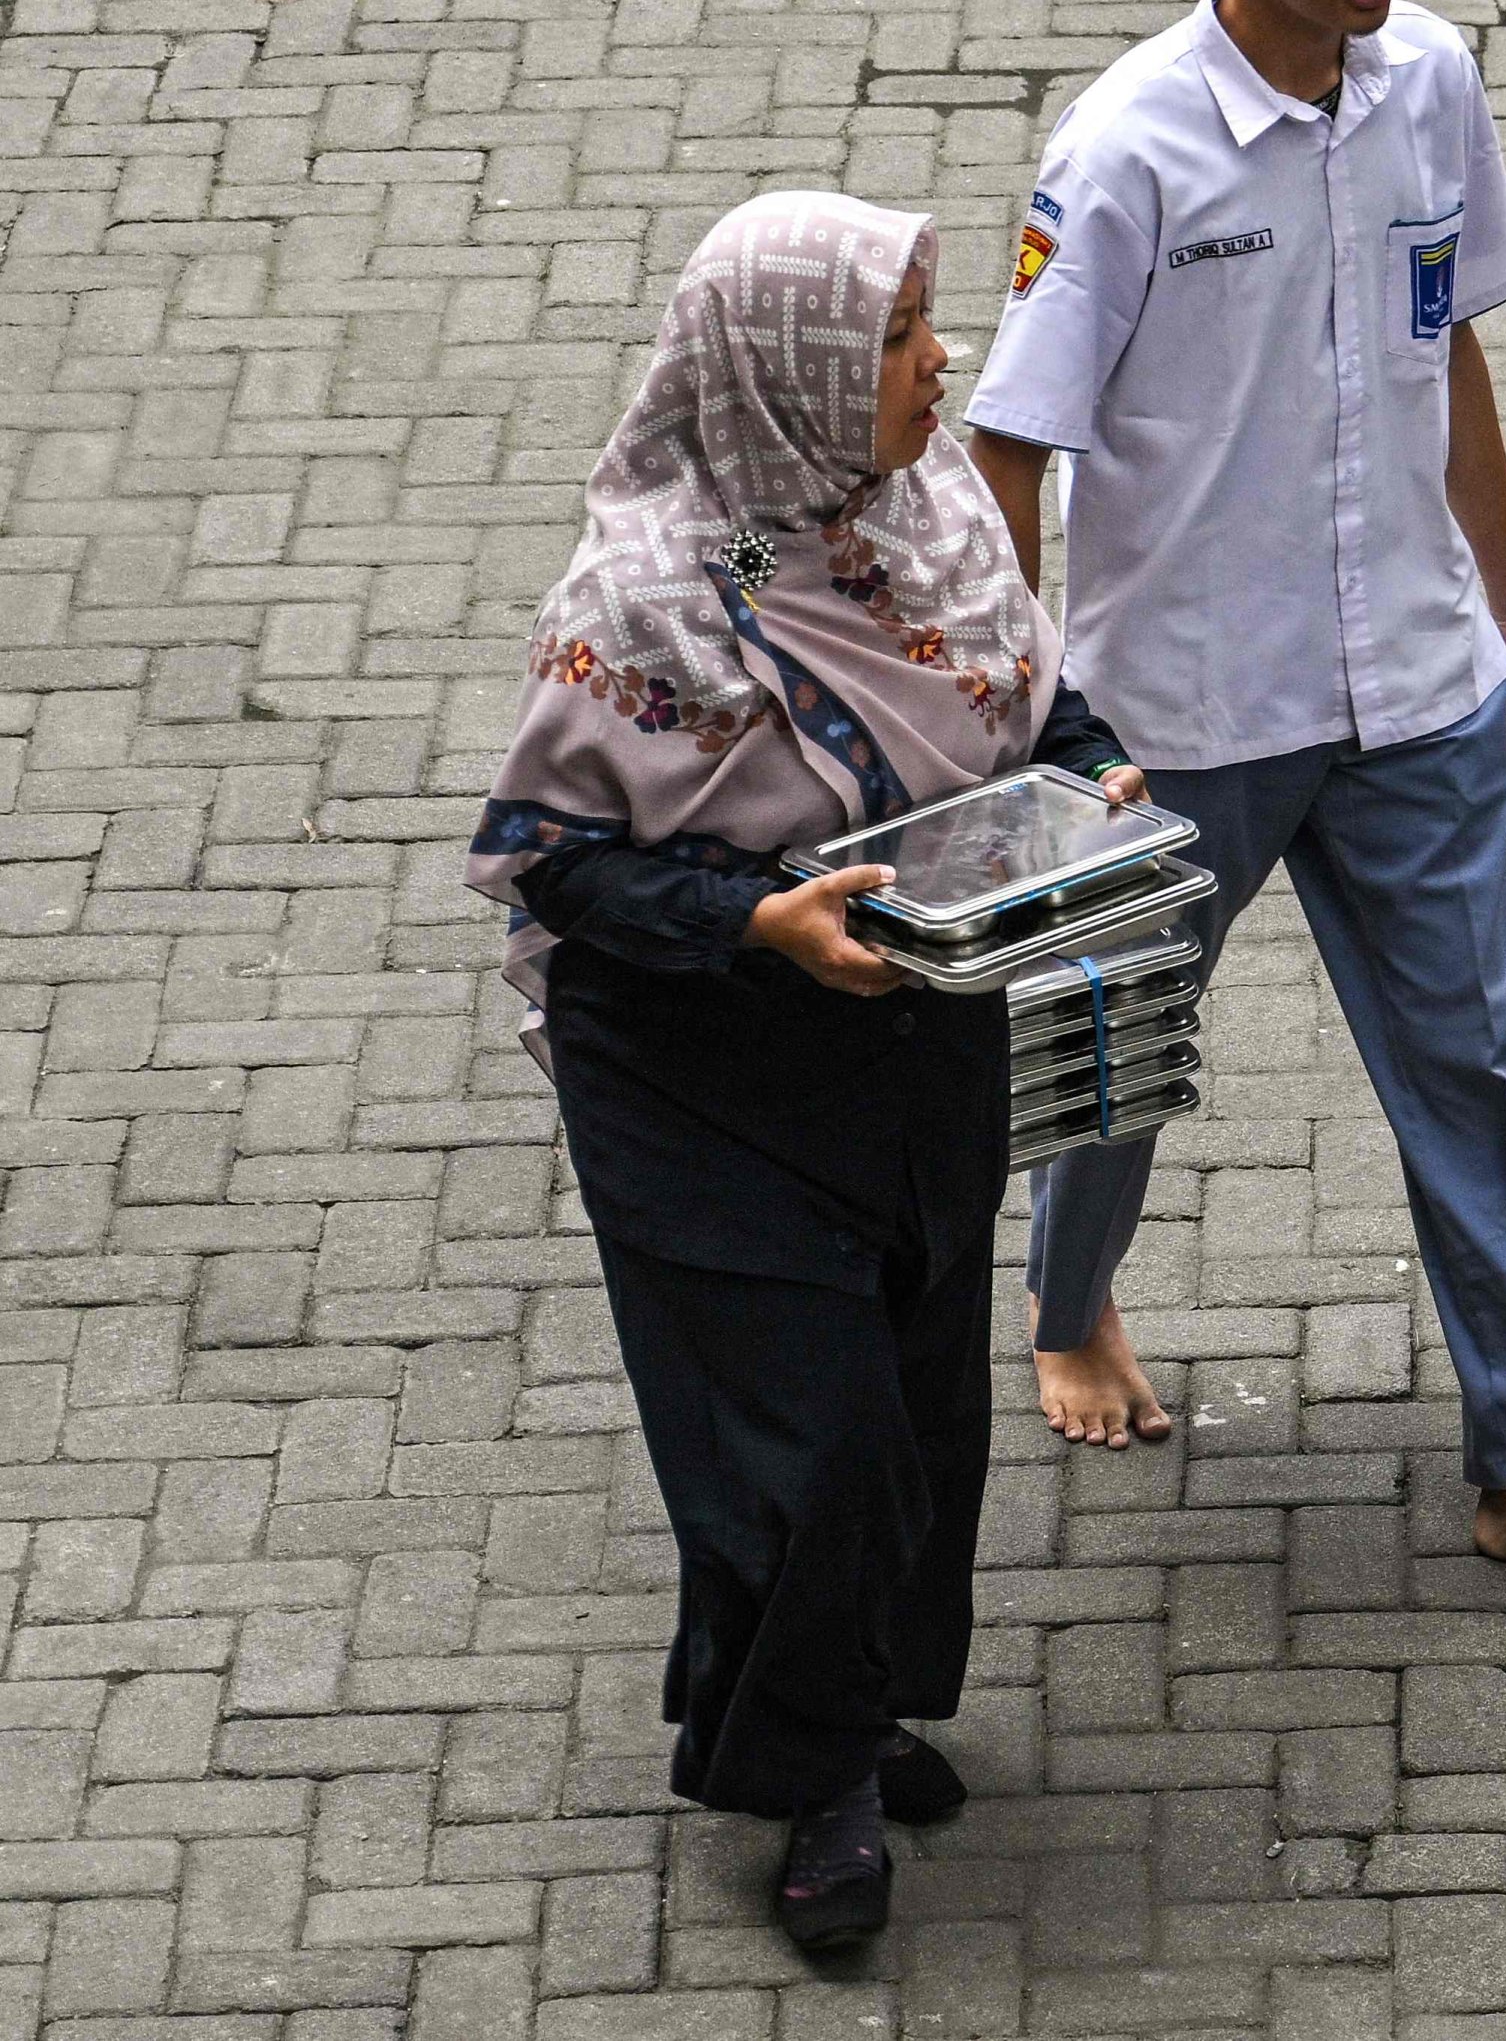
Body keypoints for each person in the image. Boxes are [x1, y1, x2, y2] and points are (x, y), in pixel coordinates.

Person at [962, 0, 1506, 1595]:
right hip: (1183, 715)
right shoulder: (1124, 145)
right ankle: (1070, 1303)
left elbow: (1441, 341)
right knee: (1121, 1062)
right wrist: (1010, 710)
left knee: (1475, 1077)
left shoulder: (1431, 82)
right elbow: (1007, 447)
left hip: (1417, 683)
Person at [466, 192, 1150, 1951]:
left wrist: (1092, 766)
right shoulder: (661, 593)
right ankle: (814, 1782)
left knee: (920, 1415)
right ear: (783, 381)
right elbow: (557, 857)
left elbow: (1020, 698)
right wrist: (761, 918)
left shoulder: (892, 526)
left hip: (916, 1050)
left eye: (930, 325)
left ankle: (854, 1705)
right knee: (810, 1443)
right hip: (709, 1079)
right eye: (901, 341)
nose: (945, 368)